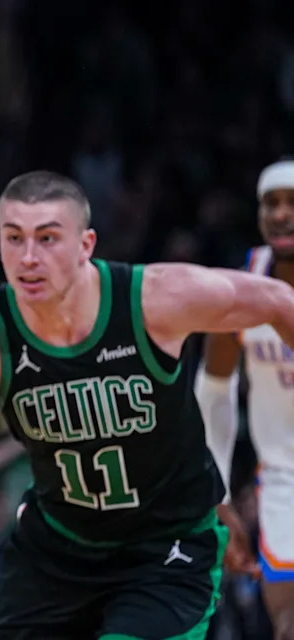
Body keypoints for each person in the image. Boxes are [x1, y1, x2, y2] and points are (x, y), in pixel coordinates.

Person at [0, 170, 290, 639]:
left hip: (164, 548)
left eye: (47, 238)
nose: (29, 258)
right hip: (56, 552)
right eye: (14, 238)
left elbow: (277, 299)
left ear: (86, 245)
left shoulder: (153, 299)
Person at [197, 159, 294, 639]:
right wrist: (217, 495)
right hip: (282, 478)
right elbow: (214, 390)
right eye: (271, 203)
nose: (281, 214)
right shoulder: (244, 285)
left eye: (293, 203)